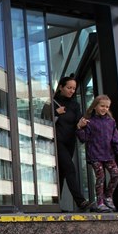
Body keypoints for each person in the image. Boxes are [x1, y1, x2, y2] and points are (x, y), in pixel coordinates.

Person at [42, 75, 92, 211]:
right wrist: (55, 113)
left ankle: (55, 206)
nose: (71, 91)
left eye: (74, 89)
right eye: (69, 87)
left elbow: (77, 123)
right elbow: (42, 121)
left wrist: (81, 124)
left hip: (70, 143)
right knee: (70, 168)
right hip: (56, 142)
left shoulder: (75, 105)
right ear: (61, 87)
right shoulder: (51, 102)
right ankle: (81, 202)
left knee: (62, 173)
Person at [76, 94, 118, 213]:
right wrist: (79, 127)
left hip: (108, 154)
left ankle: (108, 197)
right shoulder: (90, 121)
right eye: (102, 106)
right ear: (95, 106)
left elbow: (116, 138)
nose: (104, 109)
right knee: (100, 177)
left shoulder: (111, 122)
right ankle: (100, 202)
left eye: (107, 107)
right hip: (95, 155)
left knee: (116, 174)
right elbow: (84, 139)